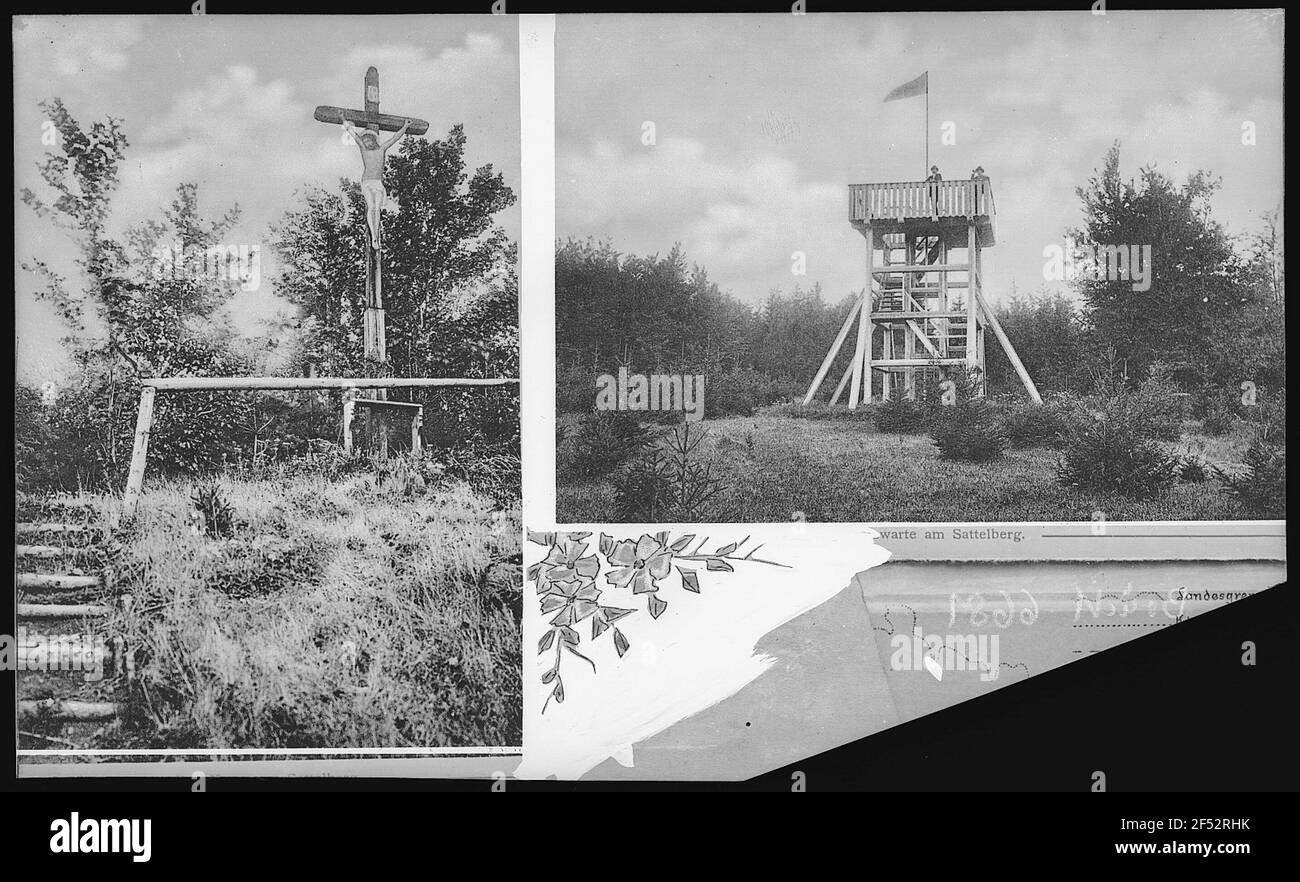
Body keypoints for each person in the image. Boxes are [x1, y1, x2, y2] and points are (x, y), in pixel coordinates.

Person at [343, 119, 411, 249]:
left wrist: (405, 126)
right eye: (365, 142)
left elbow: (395, 138)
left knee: (377, 208)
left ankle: (376, 236)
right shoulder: (364, 150)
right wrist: (343, 120)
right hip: (367, 182)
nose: (367, 143)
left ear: (374, 141)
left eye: (369, 141)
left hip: (378, 183)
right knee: (371, 206)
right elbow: (354, 135)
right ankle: (374, 237)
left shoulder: (382, 149)